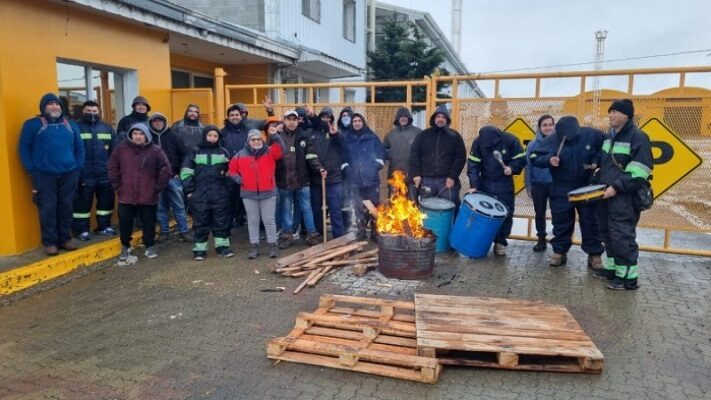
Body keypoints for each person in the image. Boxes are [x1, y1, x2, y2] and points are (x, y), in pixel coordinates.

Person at [595, 99, 653, 290]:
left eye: (616, 112)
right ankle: (613, 269)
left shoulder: (638, 137)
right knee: (607, 232)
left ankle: (628, 277)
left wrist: (617, 187)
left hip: (623, 197)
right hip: (606, 194)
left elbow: (640, 171)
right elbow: (604, 165)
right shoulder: (610, 136)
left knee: (622, 235)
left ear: (627, 115)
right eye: (610, 112)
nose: (611, 115)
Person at [532, 116, 604, 268]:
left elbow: (608, 146)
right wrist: (549, 160)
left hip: (586, 185)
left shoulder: (591, 134)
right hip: (561, 186)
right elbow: (534, 156)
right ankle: (559, 251)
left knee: (591, 221)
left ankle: (594, 254)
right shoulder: (552, 139)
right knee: (561, 222)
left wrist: (597, 160)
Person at [18, 93, 85, 255]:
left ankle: (65, 239)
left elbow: (79, 148)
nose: (55, 107)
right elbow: (24, 148)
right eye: (50, 104)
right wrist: (32, 170)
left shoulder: (70, 125)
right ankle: (49, 242)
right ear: (43, 107)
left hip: (69, 174)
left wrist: (77, 169)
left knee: (66, 207)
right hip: (44, 175)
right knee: (47, 209)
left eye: (57, 104)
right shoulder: (32, 124)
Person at [108, 123, 172, 261]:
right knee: (125, 222)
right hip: (126, 195)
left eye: (141, 133)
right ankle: (125, 246)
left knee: (148, 222)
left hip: (148, 194)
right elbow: (112, 167)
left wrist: (157, 188)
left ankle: (149, 246)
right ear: (131, 135)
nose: (138, 136)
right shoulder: (121, 149)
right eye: (135, 133)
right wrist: (118, 186)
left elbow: (166, 170)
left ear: (146, 135)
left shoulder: (156, 151)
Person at [467, 126, 526, 256]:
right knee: (483, 216)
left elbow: (522, 158)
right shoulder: (478, 142)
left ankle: (500, 242)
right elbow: (473, 165)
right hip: (485, 184)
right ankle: (482, 242)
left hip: (504, 185)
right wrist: (474, 185)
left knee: (505, 214)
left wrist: (512, 168)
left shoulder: (510, 140)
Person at [228, 129, 285, 259]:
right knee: (253, 221)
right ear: (248, 141)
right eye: (253, 139)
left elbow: (281, 149)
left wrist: (275, 135)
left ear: (262, 140)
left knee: (269, 220)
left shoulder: (270, 152)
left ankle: (272, 245)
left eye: (258, 139)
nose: (256, 141)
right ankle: (254, 246)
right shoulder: (240, 155)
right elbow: (231, 170)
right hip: (249, 194)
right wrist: (241, 180)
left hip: (268, 193)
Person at [181, 125, 234, 260]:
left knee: (221, 221)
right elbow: (186, 172)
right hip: (200, 193)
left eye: (215, 136)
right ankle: (199, 250)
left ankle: (222, 247)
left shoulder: (223, 152)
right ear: (205, 136)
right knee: (200, 221)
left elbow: (230, 173)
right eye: (210, 135)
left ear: (218, 138)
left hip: (219, 193)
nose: (212, 138)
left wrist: (227, 190)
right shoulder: (195, 151)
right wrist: (189, 192)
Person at [276, 110, 321, 248]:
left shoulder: (304, 136)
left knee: (306, 207)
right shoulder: (278, 137)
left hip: (302, 180)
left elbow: (311, 156)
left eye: (294, 119)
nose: (291, 122)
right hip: (284, 180)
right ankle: (288, 235)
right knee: (286, 208)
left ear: (298, 121)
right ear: (284, 121)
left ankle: (311, 234)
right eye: (289, 119)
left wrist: (319, 168)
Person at [72, 100, 116, 241]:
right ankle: (81, 230)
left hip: (104, 173)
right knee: (82, 204)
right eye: (88, 111)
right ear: (83, 112)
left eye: (94, 111)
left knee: (105, 203)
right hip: (84, 174)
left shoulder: (107, 128)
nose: (92, 114)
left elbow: (114, 151)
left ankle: (104, 227)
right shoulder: (76, 128)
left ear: (99, 112)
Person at [409, 105, 467, 207]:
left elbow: (460, 158)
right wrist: (416, 174)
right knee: (426, 208)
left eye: (443, 117)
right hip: (426, 180)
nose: (440, 119)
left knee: (449, 207)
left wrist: (452, 177)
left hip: (446, 181)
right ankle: (427, 224)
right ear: (434, 119)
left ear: (447, 120)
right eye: (438, 117)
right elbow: (414, 155)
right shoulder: (423, 135)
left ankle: (450, 224)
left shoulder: (454, 136)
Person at [305, 108, 348, 239]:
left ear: (332, 119)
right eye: (323, 117)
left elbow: (343, 148)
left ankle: (338, 237)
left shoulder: (336, 133)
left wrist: (335, 135)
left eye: (328, 117)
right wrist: (319, 168)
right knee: (316, 209)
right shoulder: (312, 134)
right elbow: (310, 155)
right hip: (317, 179)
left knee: (336, 209)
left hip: (334, 179)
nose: (326, 119)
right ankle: (319, 234)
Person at [343, 113, 385, 241]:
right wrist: (348, 170)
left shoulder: (372, 138)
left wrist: (372, 169)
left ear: (363, 122)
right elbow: (342, 158)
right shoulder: (346, 139)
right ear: (352, 123)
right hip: (355, 181)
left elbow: (380, 156)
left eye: (359, 120)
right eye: (354, 121)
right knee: (358, 207)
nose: (357, 123)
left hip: (371, 180)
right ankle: (361, 231)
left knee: (374, 207)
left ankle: (375, 231)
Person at [149, 113, 191, 241]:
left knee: (179, 206)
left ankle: (184, 231)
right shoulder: (148, 138)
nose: (158, 123)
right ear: (151, 123)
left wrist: (179, 172)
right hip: (156, 178)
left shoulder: (174, 136)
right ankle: (164, 232)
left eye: (160, 121)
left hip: (173, 177)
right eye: (155, 121)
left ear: (164, 122)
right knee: (161, 207)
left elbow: (184, 155)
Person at [524, 115, 555, 251]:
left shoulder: (559, 142)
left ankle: (558, 240)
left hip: (556, 184)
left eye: (550, 124)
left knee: (558, 213)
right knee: (540, 213)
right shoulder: (532, 144)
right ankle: (541, 239)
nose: (548, 127)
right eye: (545, 125)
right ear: (539, 127)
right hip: (538, 185)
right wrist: (528, 185)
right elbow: (528, 166)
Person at [384, 107, 422, 181]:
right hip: (395, 175)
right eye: (401, 117)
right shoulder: (390, 134)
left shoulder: (418, 133)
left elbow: (424, 151)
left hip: (412, 176)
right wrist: (392, 153)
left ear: (409, 118)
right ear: (397, 119)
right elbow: (384, 151)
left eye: (405, 117)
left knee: (412, 193)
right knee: (394, 193)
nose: (403, 118)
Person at [337, 106, 355, 231]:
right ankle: (345, 225)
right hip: (340, 172)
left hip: (356, 171)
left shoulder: (357, 132)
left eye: (348, 115)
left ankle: (358, 225)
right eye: (343, 116)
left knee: (357, 199)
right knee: (343, 200)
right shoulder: (337, 132)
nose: (346, 118)